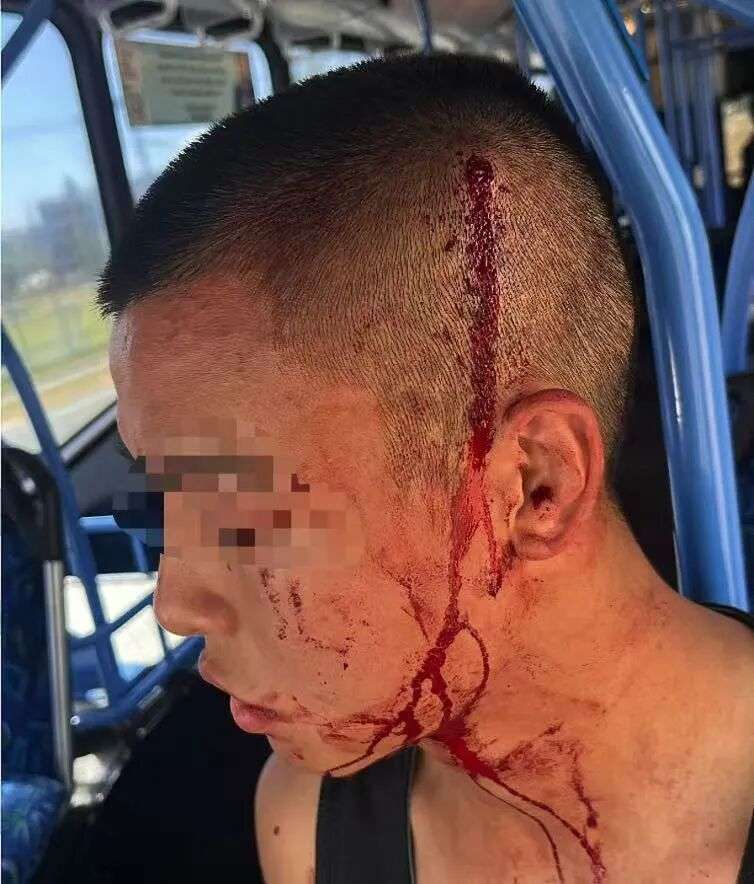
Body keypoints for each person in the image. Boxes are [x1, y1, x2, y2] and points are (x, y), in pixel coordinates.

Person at [99, 54, 754, 883]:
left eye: (245, 509)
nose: (174, 605)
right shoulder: (307, 827)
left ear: (536, 486)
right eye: (167, 499)